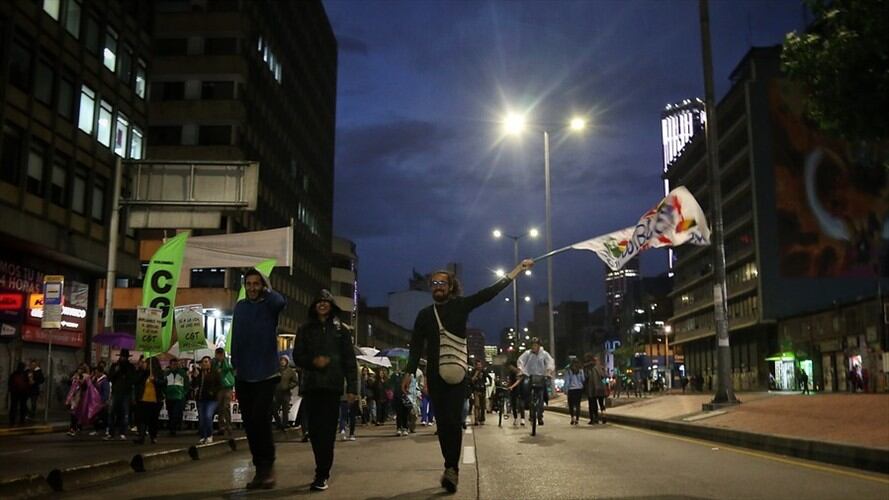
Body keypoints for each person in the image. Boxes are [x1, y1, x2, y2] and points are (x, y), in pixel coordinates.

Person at [402, 259, 534, 493]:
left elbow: (489, 293)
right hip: (434, 376)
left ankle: (451, 469)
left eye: (442, 283)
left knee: (453, 421)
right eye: (434, 283)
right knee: (442, 424)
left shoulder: (462, 306)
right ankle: (449, 464)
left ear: (451, 286)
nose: (438, 286)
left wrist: (516, 271)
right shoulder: (424, 315)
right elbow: (415, 346)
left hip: (458, 374)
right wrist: (409, 373)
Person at [292, 289, 358, 491]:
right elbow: (297, 356)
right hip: (312, 386)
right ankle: (320, 466)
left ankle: (322, 473)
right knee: (314, 430)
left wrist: (352, 388)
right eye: (318, 301)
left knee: (328, 431)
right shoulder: (305, 329)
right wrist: (314, 362)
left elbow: (349, 360)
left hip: (332, 386)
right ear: (314, 305)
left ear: (331, 305)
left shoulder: (341, 330)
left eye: (326, 301)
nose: (322, 304)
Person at [231, 267, 287, 490]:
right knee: (250, 424)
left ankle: (268, 467)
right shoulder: (240, 307)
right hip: (243, 374)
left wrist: (268, 287)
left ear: (262, 286)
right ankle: (259, 470)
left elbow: (281, 301)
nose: (252, 288)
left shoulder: (270, 306)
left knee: (260, 420)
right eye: (249, 284)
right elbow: (236, 337)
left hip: (266, 374)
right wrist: (235, 364)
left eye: (256, 283)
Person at [516, 337, 555, 426]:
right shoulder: (527, 353)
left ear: (539, 345)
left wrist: (548, 371)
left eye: (535, 345)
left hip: (541, 377)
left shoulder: (544, 354)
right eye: (532, 345)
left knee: (542, 395)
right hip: (529, 376)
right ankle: (529, 411)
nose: (534, 347)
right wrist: (520, 370)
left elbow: (550, 362)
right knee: (525, 391)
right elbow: (520, 361)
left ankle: (540, 416)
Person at [133, 356, 166, 444]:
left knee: (153, 420)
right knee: (142, 419)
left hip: (155, 400)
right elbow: (135, 381)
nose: (145, 364)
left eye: (146, 363)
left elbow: (163, 383)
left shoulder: (159, 373)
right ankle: (141, 437)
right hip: (143, 400)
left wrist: (155, 380)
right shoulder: (143, 373)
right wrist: (142, 372)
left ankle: (153, 436)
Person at [107, 349, 135, 440]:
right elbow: (110, 378)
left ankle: (122, 432)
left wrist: (126, 373)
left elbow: (132, 379)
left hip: (126, 393)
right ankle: (111, 432)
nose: (123, 358)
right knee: (111, 412)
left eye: (125, 357)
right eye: (122, 356)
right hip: (116, 392)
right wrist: (116, 371)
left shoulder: (130, 367)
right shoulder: (115, 366)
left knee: (125, 413)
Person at [195, 355, 222, 444]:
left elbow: (219, 385)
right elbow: (195, 385)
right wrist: (195, 377)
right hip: (201, 399)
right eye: (203, 362)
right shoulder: (200, 374)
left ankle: (209, 435)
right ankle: (203, 436)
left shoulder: (215, 373)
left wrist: (213, 392)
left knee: (208, 416)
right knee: (202, 418)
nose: (204, 364)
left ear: (210, 363)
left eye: (206, 362)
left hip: (212, 400)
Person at [212, 347, 235, 438]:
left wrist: (223, 361)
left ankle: (229, 426)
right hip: (219, 388)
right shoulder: (214, 363)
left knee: (226, 406)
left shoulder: (227, 362)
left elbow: (229, 368)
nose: (219, 356)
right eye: (218, 354)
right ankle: (221, 427)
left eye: (220, 354)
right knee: (220, 408)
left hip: (227, 387)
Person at [164, 358, 189, 436]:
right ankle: (172, 428)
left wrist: (183, 393)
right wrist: (165, 393)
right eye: (173, 364)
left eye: (176, 364)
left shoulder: (182, 373)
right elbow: (164, 384)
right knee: (171, 413)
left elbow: (187, 384)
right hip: (169, 397)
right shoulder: (167, 374)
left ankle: (173, 428)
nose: (174, 366)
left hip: (179, 397)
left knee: (175, 413)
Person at [274, 355, 298, 432]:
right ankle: (278, 424)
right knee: (274, 409)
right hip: (277, 393)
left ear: (287, 362)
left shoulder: (290, 371)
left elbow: (295, 381)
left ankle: (285, 425)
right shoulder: (277, 371)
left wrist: (288, 386)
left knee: (285, 410)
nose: (282, 362)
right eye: (281, 360)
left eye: (284, 360)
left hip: (286, 393)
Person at [584, 354, 608, 424]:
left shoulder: (589, 368)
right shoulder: (600, 367)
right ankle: (604, 416)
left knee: (593, 405)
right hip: (601, 388)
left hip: (592, 388)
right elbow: (604, 376)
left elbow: (586, 377)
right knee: (601, 404)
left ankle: (594, 419)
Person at [8, 362, 31, 426]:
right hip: (22, 393)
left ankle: (12, 421)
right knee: (22, 407)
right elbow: (30, 383)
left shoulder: (14, 374)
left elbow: (10, 383)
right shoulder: (26, 374)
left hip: (15, 393)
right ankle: (21, 420)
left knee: (14, 407)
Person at [564, 359, 586, 425]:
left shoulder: (569, 370)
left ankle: (572, 418)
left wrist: (566, 389)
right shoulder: (580, 370)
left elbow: (567, 381)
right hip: (579, 389)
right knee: (577, 405)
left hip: (571, 389)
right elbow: (583, 379)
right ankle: (577, 419)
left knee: (571, 405)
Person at [90, 366, 111, 436]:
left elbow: (106, 392)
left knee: (104, 416)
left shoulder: (105, 381)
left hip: (102, 402)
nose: (95, 374)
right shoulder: (95, 380)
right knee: (96, 417)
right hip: (95, 401)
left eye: (96, 373)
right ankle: (96, 430)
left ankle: (107, 429)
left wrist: (103, 400)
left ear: (100, 372)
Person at [469, 359, 487, 426]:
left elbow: (485, 380)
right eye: (478, 365)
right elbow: (471, 380)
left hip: (483, 390)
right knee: (477, 405)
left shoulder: (483, 371)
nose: (479, 366)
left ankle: (482, 419)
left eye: (480, 365)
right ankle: (476, 419)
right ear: (475, 365)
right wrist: (476, 374)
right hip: (476, 390)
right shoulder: (473, 371)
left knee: (482, 406)